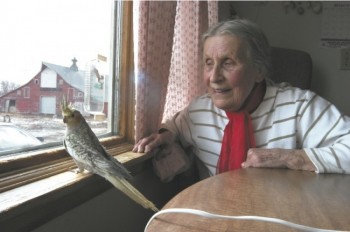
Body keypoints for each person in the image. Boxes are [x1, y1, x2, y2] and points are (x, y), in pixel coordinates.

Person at [133, 19, 350, 178]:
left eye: (228, 63)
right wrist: (165, 134)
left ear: (259, 71)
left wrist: (290, 158)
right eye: (209, 63)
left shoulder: (299, 107)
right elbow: (174, 128)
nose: (214, 77)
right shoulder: (199, 112)